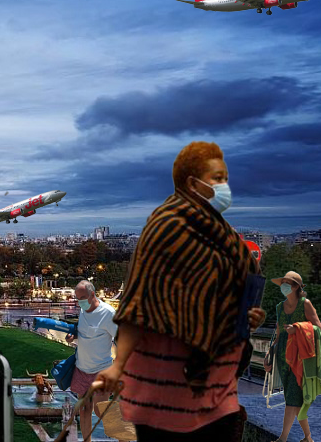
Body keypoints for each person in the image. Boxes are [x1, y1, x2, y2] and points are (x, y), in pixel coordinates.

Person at [96, 141, 266, 440]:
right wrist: (118, 365)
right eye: (217, 178)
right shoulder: (165, 230)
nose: (224, 186)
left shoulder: (222, 235)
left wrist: (247, 316)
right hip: (166, 391)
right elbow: (138, 305)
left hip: (217, 388)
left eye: (225, 178)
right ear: (192, 183)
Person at [264, 271, 321, 442]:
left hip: (300, 358)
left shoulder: (305, 304)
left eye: (287, 283)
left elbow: (319, 329)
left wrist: (297, 329)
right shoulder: (279, 307)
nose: (283, 286)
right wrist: (269, 354)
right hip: (283, 357)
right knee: (293, 399)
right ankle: (308, 438)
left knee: (292, 397)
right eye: (282, 283)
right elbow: (278, 333)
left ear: (296, 286)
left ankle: (283, 438)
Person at [66, 280, 118, 441]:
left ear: (93, 294)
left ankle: (125, 433)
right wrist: (72, 337)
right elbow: (83, 333)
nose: (79, 301)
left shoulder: (108, 313)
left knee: (99, 409)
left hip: (102, 370)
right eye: (77, 298)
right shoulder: (83, 310)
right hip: (82, 368)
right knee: (84, 410)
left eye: (82, 297)